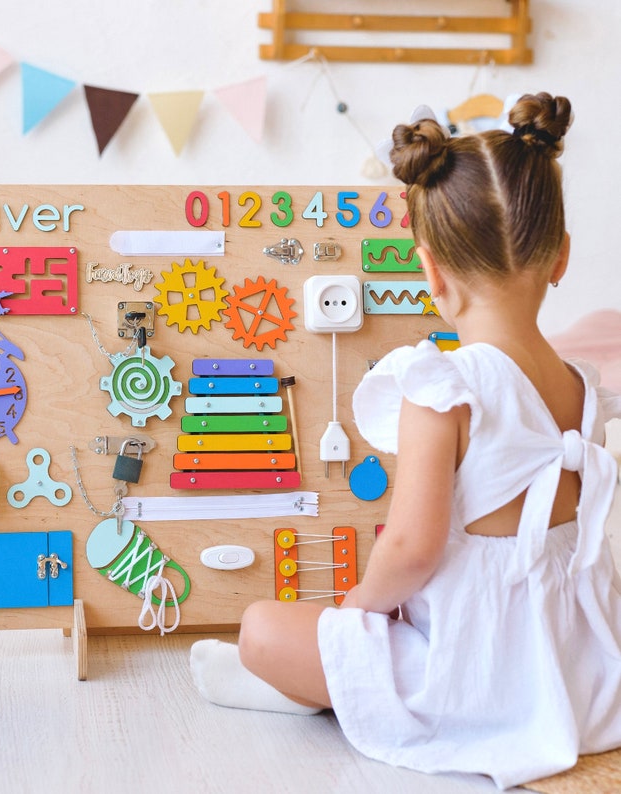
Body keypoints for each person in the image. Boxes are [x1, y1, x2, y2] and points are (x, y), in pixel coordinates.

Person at [190, 92, 621, 789]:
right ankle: (331, 687)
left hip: (473, 672)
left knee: (262, 630)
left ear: (430, 272)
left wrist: (354, 611)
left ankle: (318, 692)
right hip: (581, 670)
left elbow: (413, 547)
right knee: (320, 633)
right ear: (561, 257)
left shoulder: (444, 386)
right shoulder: (581, 382)